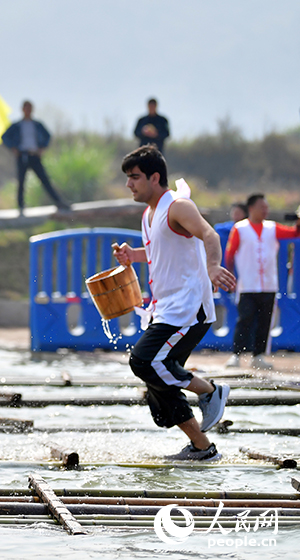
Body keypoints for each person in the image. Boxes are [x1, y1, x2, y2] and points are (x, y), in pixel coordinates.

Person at [113, 145, 235, 461]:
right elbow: (157, 253)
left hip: (189, 310)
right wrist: (133, 256)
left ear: (156, 177)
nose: (129, 184)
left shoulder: (178, 206)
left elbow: (210, 236)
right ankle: (202, 448)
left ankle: (210, 391)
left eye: (135, 177)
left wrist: (212, 267)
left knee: (143, 362)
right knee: (158, 382)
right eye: (127, 178)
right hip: (167, 309)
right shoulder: (148, 214)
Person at [224, 194, 300, 369]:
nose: (265, 210)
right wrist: (230, 276)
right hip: (247, 284)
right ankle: (236, 355)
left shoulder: (271, 227)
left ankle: (258, 355)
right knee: (245, 319)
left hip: (268, 284)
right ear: (251, 208)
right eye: (262, 207)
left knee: (265, 321)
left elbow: (294, 233)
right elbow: (230, 254)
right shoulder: (240, 228)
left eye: (266, 207)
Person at [1, 100, 67, 213]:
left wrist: (42, 148)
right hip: (22, 155)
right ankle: (21, 206)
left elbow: (48, 136)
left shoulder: (37, 125)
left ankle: (59, 202)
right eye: (26, 108)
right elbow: (4, 137)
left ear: (32, 110)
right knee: (21, 181)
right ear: (22, 109)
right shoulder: (17, 125)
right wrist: (13, 148)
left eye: (30, 108)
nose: (28, 110)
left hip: (35, 155)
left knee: (45, 179)